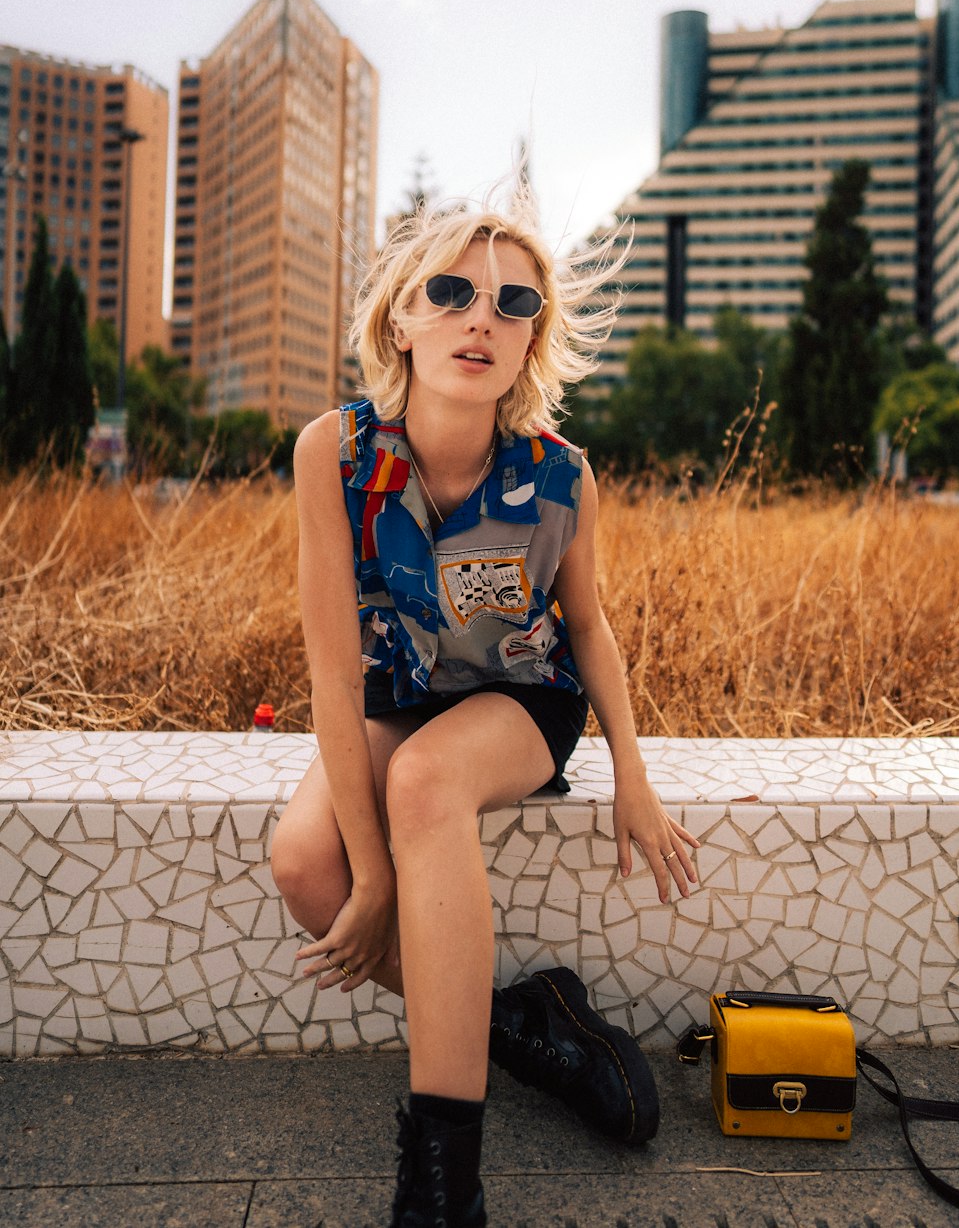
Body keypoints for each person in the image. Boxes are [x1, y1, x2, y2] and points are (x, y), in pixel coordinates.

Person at [271, 178, 700, 1227]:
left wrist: (631, 780)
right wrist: (369, 880)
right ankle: (526, 1026)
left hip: (520, 696)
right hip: (395, 687)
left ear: (529, 343)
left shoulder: (561, 477)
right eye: (453, 291)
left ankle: (442, 1186)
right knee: (304, 862)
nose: (482, 317)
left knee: (424, 782)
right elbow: (331, 670)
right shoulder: (335, 455)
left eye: (513, 306)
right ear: (403, 322)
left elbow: (589, 627)